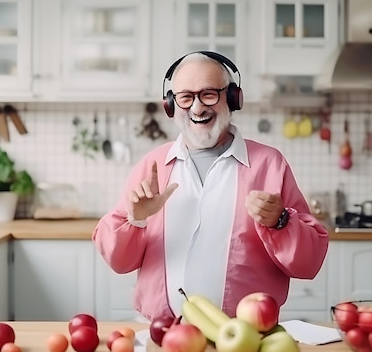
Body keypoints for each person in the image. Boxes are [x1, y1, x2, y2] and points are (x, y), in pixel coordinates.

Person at [92, 51, 328, 322]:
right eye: (185, 97)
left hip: (247, 333)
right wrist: (136, 220)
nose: (197, 107)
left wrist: (280, 221)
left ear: (231, 98)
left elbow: (309, 264)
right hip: (161, 332)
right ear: (171, 104)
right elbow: (118, 261)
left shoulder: (269, 164)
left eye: (208, 94)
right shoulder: (152, 165)